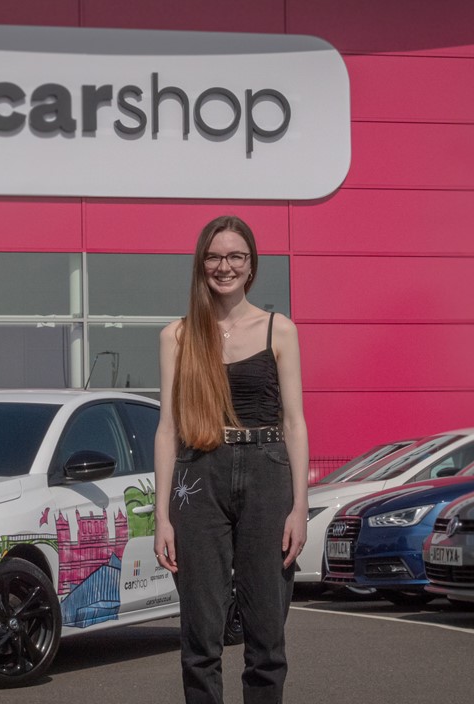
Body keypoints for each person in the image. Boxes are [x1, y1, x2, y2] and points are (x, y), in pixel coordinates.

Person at [154, 215, 310, 704]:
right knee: (200, 635)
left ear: (251, 265)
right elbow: (167, 429)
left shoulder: (277, 330)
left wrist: (300, 506)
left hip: (268, 475)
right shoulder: (177, 337)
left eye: (235, 257)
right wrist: (161, 516)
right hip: (199, 477)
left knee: (266, 634)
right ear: (202, 264)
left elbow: (294, 423)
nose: (225, 266)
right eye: (215, 256)